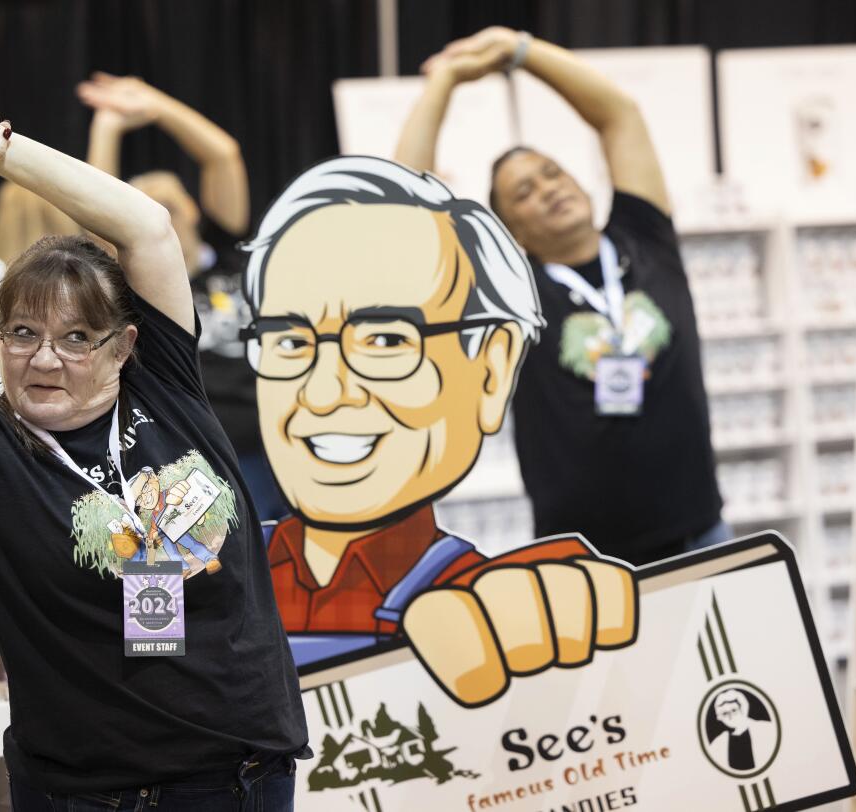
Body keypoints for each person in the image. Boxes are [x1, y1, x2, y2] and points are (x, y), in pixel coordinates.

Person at [0, 70, 306, 811]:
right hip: (91, 793)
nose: (46, 357)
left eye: (76, 338)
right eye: (23, 333)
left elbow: (147, 226)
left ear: (124, 346)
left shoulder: (166, 390)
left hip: (243, 776)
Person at [240, 155, 637, 707]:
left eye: (385, 340)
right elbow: (144, 671)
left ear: (492, 373)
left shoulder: (478, 603)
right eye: (290, 342)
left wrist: (554, 653)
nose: (325, 392)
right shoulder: (218, 568)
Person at [395, 27, 728, 566]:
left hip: (703, 531)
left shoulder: (645, 238)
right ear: (512, 233)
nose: (549, 187)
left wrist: (519, 49)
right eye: (524, 192)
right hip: (585, 559)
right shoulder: (510, 295)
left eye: (552, 172)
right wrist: (447, 80)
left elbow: (619, 114)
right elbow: (405, 203)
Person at [77, 72, 285, 522]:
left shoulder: (229, 253)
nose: (156, 205)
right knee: (185, 569)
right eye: (141, 201)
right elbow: (93, 207)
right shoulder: (133, 282)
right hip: (184, 452)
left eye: (168, 197)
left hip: (265, 445)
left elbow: (223, 153)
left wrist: (154, 103)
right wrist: (107, 126)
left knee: (275, 558)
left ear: (192, 206)